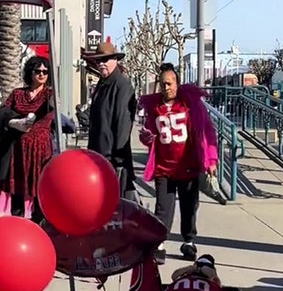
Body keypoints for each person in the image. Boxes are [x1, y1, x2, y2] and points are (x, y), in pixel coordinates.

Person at [137, 63, 218, 263]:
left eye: (170, 83)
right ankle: (159, 243)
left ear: (177, 83)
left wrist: (211, 159)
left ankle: (189, 242)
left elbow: (206, 132)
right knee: (163, 208)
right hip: (164, 168)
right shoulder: (154, 107)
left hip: (188, 166)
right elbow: (149, 134)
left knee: (189, 208)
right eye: (163, 84)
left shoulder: (190, 105)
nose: (167, 88)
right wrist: (146, 137)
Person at [0, 56, 55, 220]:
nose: (41, 74)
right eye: (37, 71)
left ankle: (38, 223)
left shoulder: (49, 95)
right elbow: (2, 113)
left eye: (45, 72)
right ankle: (17, 222)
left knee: (39, 186)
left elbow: (54, 110)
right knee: (17, 186)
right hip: (17, 149)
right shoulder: (18, 94)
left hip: (40, 149)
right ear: (30, 72)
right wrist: (15, 121)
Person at [84, 40, 138, 201]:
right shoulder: (102, 83)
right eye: (98, 60)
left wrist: (118, 159)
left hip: (113, 158)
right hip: (98, 154)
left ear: (115, 60)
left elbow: (122, 123)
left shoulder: (122, 86)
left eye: (105, 60)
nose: (101, 64)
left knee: (117, 202)